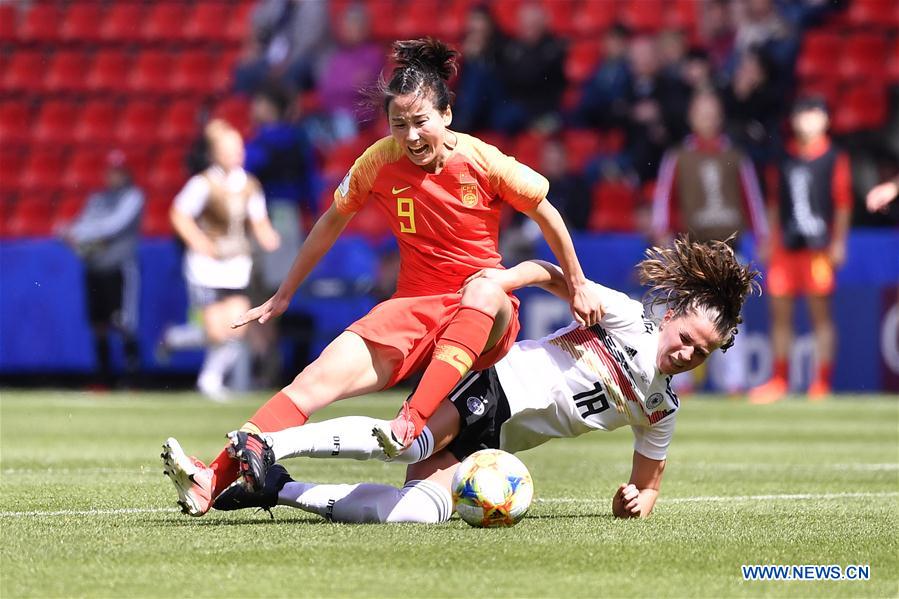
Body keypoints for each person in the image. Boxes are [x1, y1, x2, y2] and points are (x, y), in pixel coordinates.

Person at [161, 39, 602, 517]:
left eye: (420, 122)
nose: (410, 137)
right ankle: (212, 478)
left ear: (447, 115)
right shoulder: (377, 161)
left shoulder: (483, 160)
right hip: (412, 306)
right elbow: (331, 220)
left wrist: (577, 285)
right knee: (312, 383)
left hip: (483, 312)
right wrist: (284, 293)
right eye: (398, 124)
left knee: (487, 287)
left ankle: (410, 420)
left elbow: (547, 213)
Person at [207, 238, 761, 523]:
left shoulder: (661, 408)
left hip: (495, 442)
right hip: (496, 384)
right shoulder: (624, 317)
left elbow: (650, 484)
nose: (688, 352)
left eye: (702, 352)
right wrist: (503, 279)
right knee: (404, 442)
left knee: (417, 513)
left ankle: (275, 487)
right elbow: (549, 273)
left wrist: (637, 501)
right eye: (687, 336)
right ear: (670, 316)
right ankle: (264, 442)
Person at [652, 92, 768, 394]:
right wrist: (663, 235)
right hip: (691, 250)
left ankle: (735, 381)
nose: (707, 118)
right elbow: (664, 200)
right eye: (701, 112)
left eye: (711, 112)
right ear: (692, 117)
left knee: (731, 316)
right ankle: (681, 381)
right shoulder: (678, 156)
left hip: (730, 249)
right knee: (684, 314)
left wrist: (763, 236)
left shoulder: (737, 156)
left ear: (720, 117)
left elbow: (752, 199)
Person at [168, 120, 281, 401]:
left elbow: (259, 220)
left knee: (236, 327)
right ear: (214, 153)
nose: (236, 154)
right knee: (216, 331)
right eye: (229, 149)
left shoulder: (250, 185)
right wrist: (197, 240)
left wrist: (268, 236)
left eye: (238, 148)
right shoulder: (203, 183)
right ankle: (176, 339)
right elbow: (179, 214)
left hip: (236, 265)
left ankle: (210, 379)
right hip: (206, 267)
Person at [749, 97, 852, 404]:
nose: (807, 121)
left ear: (825, 121)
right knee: (779, 315)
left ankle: (821, 383)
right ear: (794, 121)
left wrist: (839, 242)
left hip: (818, 248)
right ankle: (779, 379)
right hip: (785, 247)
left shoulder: (834, 157)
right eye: (802, 115)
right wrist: (768, 239)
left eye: (814, 115)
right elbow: (774, 203)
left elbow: (843, 203)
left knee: (820, 315)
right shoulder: (782, 158)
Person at [61, 150, 144, 388]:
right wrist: (74, 232)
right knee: (99, 324)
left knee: (124, 322)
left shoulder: (133, 197)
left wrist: (78, 234)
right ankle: (104, 378)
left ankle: (132, 378)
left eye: (118, 172)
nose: (113, 177)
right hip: (95, 267)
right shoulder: (97, 199)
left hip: (120, 267)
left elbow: (111, 227)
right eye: (110, 171)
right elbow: (81, 223)